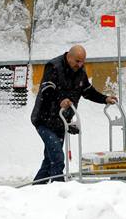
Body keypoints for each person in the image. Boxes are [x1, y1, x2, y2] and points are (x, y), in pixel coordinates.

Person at [31, 45, 117, 184]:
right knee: (58, 158)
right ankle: (59, 190)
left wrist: (104, 98)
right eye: (77, 61)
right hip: (44, 120)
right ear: (68, 56)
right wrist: (61, 100)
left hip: (61, 122)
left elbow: (88, 91)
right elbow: (47, 90)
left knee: (49, 160)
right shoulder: (54, 67)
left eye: (83, 61)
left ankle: (35, 189)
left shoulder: (80, 72)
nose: (80, 64)